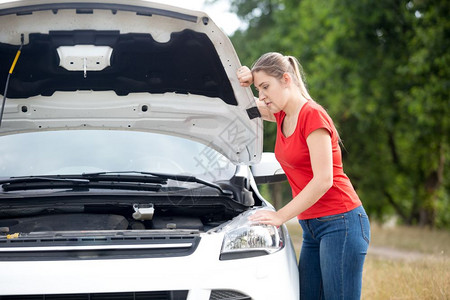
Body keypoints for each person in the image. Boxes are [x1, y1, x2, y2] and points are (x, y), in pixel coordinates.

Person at [237, 52, 370, 300]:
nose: (262, 95)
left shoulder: (312, 115)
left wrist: (280, 216)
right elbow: (241, 104)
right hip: (312, 227)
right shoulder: (281, 115)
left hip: (340, 222)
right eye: (259, 88)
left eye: (266, 86)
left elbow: (323, 180)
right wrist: (241, 79)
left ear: (286, 79)